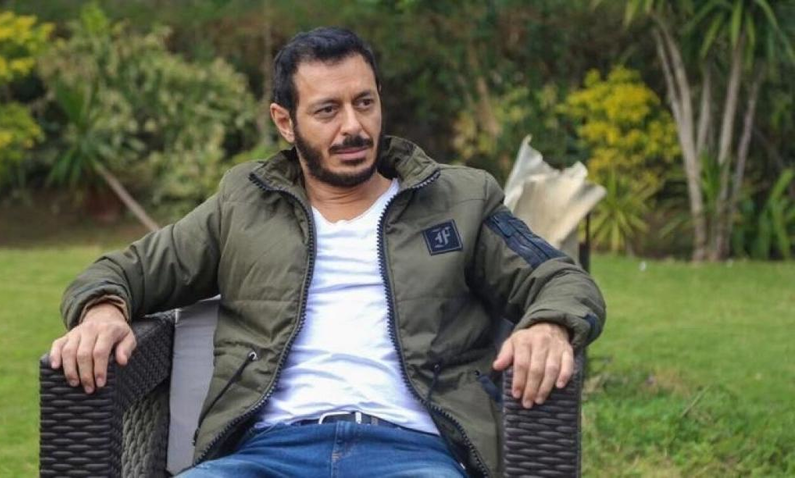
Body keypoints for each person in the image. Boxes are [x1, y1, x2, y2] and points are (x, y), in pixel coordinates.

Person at [49, 27, 605, 477]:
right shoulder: (243, 205)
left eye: (364, 102)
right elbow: (123, 271)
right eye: (327, 111)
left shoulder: (458, 201)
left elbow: (560, 279)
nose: (353, 127)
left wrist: (549, 325)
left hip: (413, 454)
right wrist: (103, 310)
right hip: (264, 454)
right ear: (285, 122)